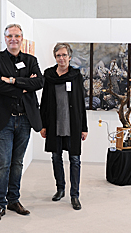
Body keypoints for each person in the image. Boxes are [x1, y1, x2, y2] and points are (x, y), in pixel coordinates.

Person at [0, 24, 43, 223]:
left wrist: (11, 81)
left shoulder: (31, 60)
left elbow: (39, 83)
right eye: (10, 36)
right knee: (3, 162)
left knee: (17, 162)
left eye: (17, 36)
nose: (13, 39)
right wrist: (24, 85)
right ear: (5, 38)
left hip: (25, 119)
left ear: (22, 38)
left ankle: (14, 200)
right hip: (4, 119)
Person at [40, 43, 88, 210]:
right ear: (55, 57)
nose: (61, 58)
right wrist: (43, 125)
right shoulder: (49, 75)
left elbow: (81, 102)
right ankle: (60, 189)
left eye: (64, 55)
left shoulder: (76, 75)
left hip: (73, 124)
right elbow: (44, 102)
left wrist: (84, 127)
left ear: (70, 57)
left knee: (75, 160)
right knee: (56, 157)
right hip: (54, 124)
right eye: (58, 55)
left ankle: (74, 195)